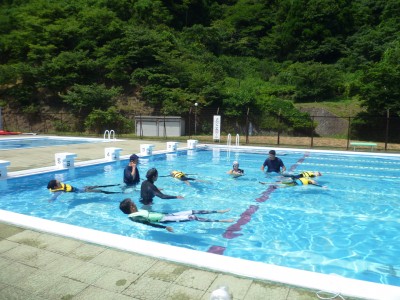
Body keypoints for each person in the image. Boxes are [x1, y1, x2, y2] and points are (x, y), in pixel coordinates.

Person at [119, 198, 234, 232]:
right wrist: (165, 227)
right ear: (131, 207)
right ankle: (221, 221)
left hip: (168, 214)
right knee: (192, 217)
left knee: (192, 211)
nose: (135, 204)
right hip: (164, 220)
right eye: (133, 203)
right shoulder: (134, 217)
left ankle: (219, 211)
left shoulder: (136, 212)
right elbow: (148, 223)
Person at [47, 180, 120, 202]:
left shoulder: (57, 187)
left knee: (97, 186)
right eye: (58, 183)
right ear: (55, 186)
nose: (60, 181)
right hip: (83, 190)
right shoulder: (58, 191)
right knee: (100, 190)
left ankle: (115, 184)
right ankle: (119, 193)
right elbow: (54, 197)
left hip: (81, 188)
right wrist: (50, 200)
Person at [260, 177, 327, 188]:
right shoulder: (308, 180)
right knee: (281, 183)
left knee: (283, 185)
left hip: (294, 183)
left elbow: (316, 185)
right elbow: (316, 184)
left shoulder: (309, 182)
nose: (314, 182)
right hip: (293, 182)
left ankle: (266, 183)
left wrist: (322, 186)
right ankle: (265, 183)